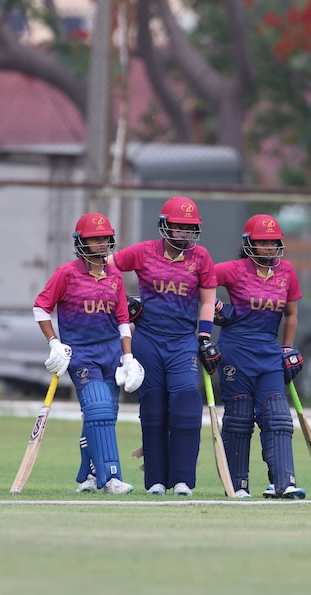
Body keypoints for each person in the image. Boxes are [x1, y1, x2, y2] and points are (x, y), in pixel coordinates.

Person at [109, 197, 220, 497]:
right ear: (164, 226)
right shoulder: (144, 251)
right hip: (148, 340)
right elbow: (108, 266)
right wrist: (124, 300)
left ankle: (183, 479)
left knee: (185, 406)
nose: (184, 234)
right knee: (154, 408)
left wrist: (205, 337)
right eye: (178, 227)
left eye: (189, 228)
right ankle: (156, 479)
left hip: (183, 342)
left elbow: (208, 300)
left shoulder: (201, 257)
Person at [34, 212, 143, 494]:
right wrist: (54, 342)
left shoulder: (115, 276)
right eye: (94, 239)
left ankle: (89, 476)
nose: (100, 244)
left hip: (111, 353)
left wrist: (128, 358)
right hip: (81, 354)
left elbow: (122, 320)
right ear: (81, 242)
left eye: (104, 238)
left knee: (103, 417)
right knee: (98, 410)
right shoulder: (66, 274)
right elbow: (41, 307)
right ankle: (112, 477)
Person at [213, 214, 306, 499]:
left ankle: (283, 482)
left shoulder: (286, 271)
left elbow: (290, 314)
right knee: (239, 419)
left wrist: (287, 348)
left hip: (268, 355)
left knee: (277, 417)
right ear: (249, 244)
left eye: (273, 242)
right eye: (262, 242)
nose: (268, 247)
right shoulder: (233, 270)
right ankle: (238, 486)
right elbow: (197, 284)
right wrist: (219, 308)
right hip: (236, 354)